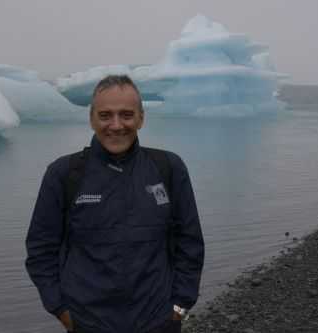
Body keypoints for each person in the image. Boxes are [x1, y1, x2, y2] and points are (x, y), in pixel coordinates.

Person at [25, 75, 204, 333]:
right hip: (88, 323)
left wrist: (179, 307)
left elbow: (190, 243)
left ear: (141, 118)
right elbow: (41, 250)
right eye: (106, 115)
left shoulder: (168, 168)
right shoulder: (65, 174)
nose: (116, 125)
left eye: (127, 115)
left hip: (158, 322)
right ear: (92, 118)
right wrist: (61, 310)